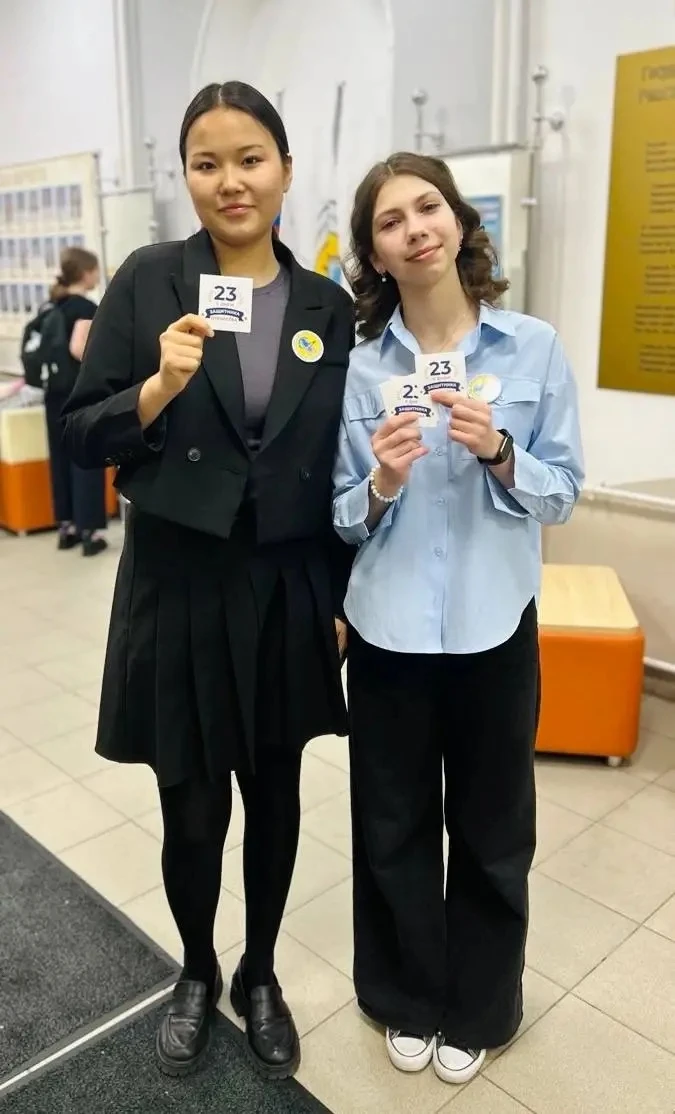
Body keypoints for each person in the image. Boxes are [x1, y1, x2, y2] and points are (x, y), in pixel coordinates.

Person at [62, 81, 354, 1081]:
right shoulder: (150, 280)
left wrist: (344, 598)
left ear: (285, 169)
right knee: (191, 805)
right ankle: (197, 968)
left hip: (286, 582)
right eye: (206, 162)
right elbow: (81, 429)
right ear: (185, 175)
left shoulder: (326, 305)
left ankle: (260, 974)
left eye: (250, 158)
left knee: (275, 795)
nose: (231, 181)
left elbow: (338, 459)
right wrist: (156, 388)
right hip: (180, 577)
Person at [332, 152, 584, 1087]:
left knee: (492, 828)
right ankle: (403, 994)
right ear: (374, 255)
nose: (414, 229)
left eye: (426, 207)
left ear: (458, 222)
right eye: (389, 221)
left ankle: (479, 1007)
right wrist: (381, 481)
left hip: (493, 629)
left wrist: (503, 452)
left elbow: (563, 492)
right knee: (390, 824)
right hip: (387, 633)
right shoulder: (359, 367)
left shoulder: (532, 349)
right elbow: (338, 515)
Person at [45, 247, 108, 556]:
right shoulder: (86, 306)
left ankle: (66, 527)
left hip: (52, 392)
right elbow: (78, 347)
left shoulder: (51, 305)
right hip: (78, 393)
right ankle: (89, 533)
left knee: (59, 457)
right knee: (84, 456)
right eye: (95, 270)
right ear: (86, 274)